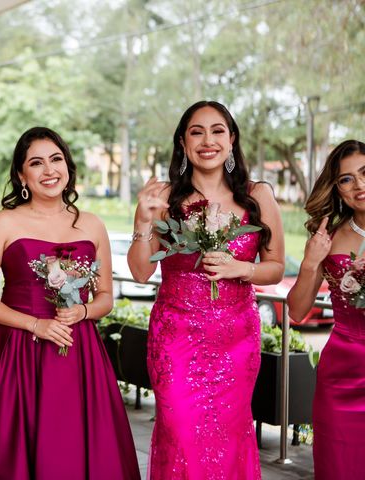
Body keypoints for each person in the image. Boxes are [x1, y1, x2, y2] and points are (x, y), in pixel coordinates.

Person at [0, 127, 140, 479]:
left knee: (76, 447)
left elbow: (105, 299)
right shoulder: (3, 223)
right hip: (17, 352)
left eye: (56, 159)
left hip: (78, 351)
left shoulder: (91, 224)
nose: (49, 170)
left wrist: (82, 311)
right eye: (36, 163)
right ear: (22, 175)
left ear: (68, 167)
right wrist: (35, 324)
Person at [127, 101, 284, 479]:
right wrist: (144, 218)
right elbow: (138, 272)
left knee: (230, 435)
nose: (208, 140)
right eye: (197, 132)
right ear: (183, 142)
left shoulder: (257, 195)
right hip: (176, 339)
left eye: (217, 131)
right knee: (180, 432)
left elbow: (275, 268)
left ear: (231, 140)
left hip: (236, 340)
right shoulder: (164, 199)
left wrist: (241, 268)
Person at [287, 140, 365, 480]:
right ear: (337, 189)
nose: (359, 185)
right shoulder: (327, 238)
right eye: (347, 179)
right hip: (342, 376)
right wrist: (310, 263)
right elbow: (297, 311)